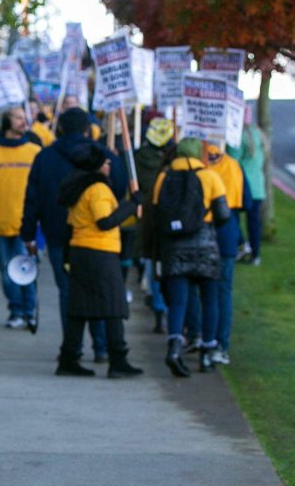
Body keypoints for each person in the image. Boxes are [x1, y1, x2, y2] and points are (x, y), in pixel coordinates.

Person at [21, 107, 109, 366]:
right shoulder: (100, 155)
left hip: (57, 233)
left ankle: (73, 347)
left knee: (67, 291)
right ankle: (101, 346)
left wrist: (28, 234)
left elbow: (32, 198)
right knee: (95, 290)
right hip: (95, 236)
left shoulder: (44, 157)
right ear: (86, 129)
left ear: (58, 129)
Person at [55, 143, 144, 379]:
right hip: (100, 253)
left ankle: (68, 358)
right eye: (105, 162)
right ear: (95, 166)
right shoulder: (98, 189)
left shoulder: (78, 187)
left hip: (81, 253)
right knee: (114, 307)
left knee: (79, 310)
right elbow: (105, 221)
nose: (109, 165)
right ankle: (118, 359)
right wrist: (132, 205)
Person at [150, 138, 230, 377]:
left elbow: (156, 213)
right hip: (205, 245)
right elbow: (223, 215)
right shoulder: (210, 177)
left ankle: (174, 346)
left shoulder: (164, 177)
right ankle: (207, 352)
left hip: (174, 247)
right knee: (209, 300)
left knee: (178, 301)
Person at [0, 105, 42, 328]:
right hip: (0, 221)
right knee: (7, 271)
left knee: (27, 268)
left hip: (26, 223)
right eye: (18, 117)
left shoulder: (34, 151)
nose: (23, 121)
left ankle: (29, 310)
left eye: (24, 118)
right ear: (7, 121)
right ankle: (15, 311)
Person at [205, 143, 251, 366]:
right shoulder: (234, 166)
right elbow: (247, 202)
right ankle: (221, 345)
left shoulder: (199, 166)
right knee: (223, 292)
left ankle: (202, 338)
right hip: (227, 235)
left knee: (204, 292)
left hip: (202, 235)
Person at [134, 118, 176, 333]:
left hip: (146, 217)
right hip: (167, 220)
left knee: (151, 262)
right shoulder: (172, 166)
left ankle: (157, 305)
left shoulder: (137, 159)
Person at [228, 106, 266, 266]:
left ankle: (242, 245)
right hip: (258, 185)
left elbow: (232, 160)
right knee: (254, 222)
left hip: (243, 187)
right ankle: (255, 253)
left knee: (232, 215)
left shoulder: (239, 137)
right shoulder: (258, 134)